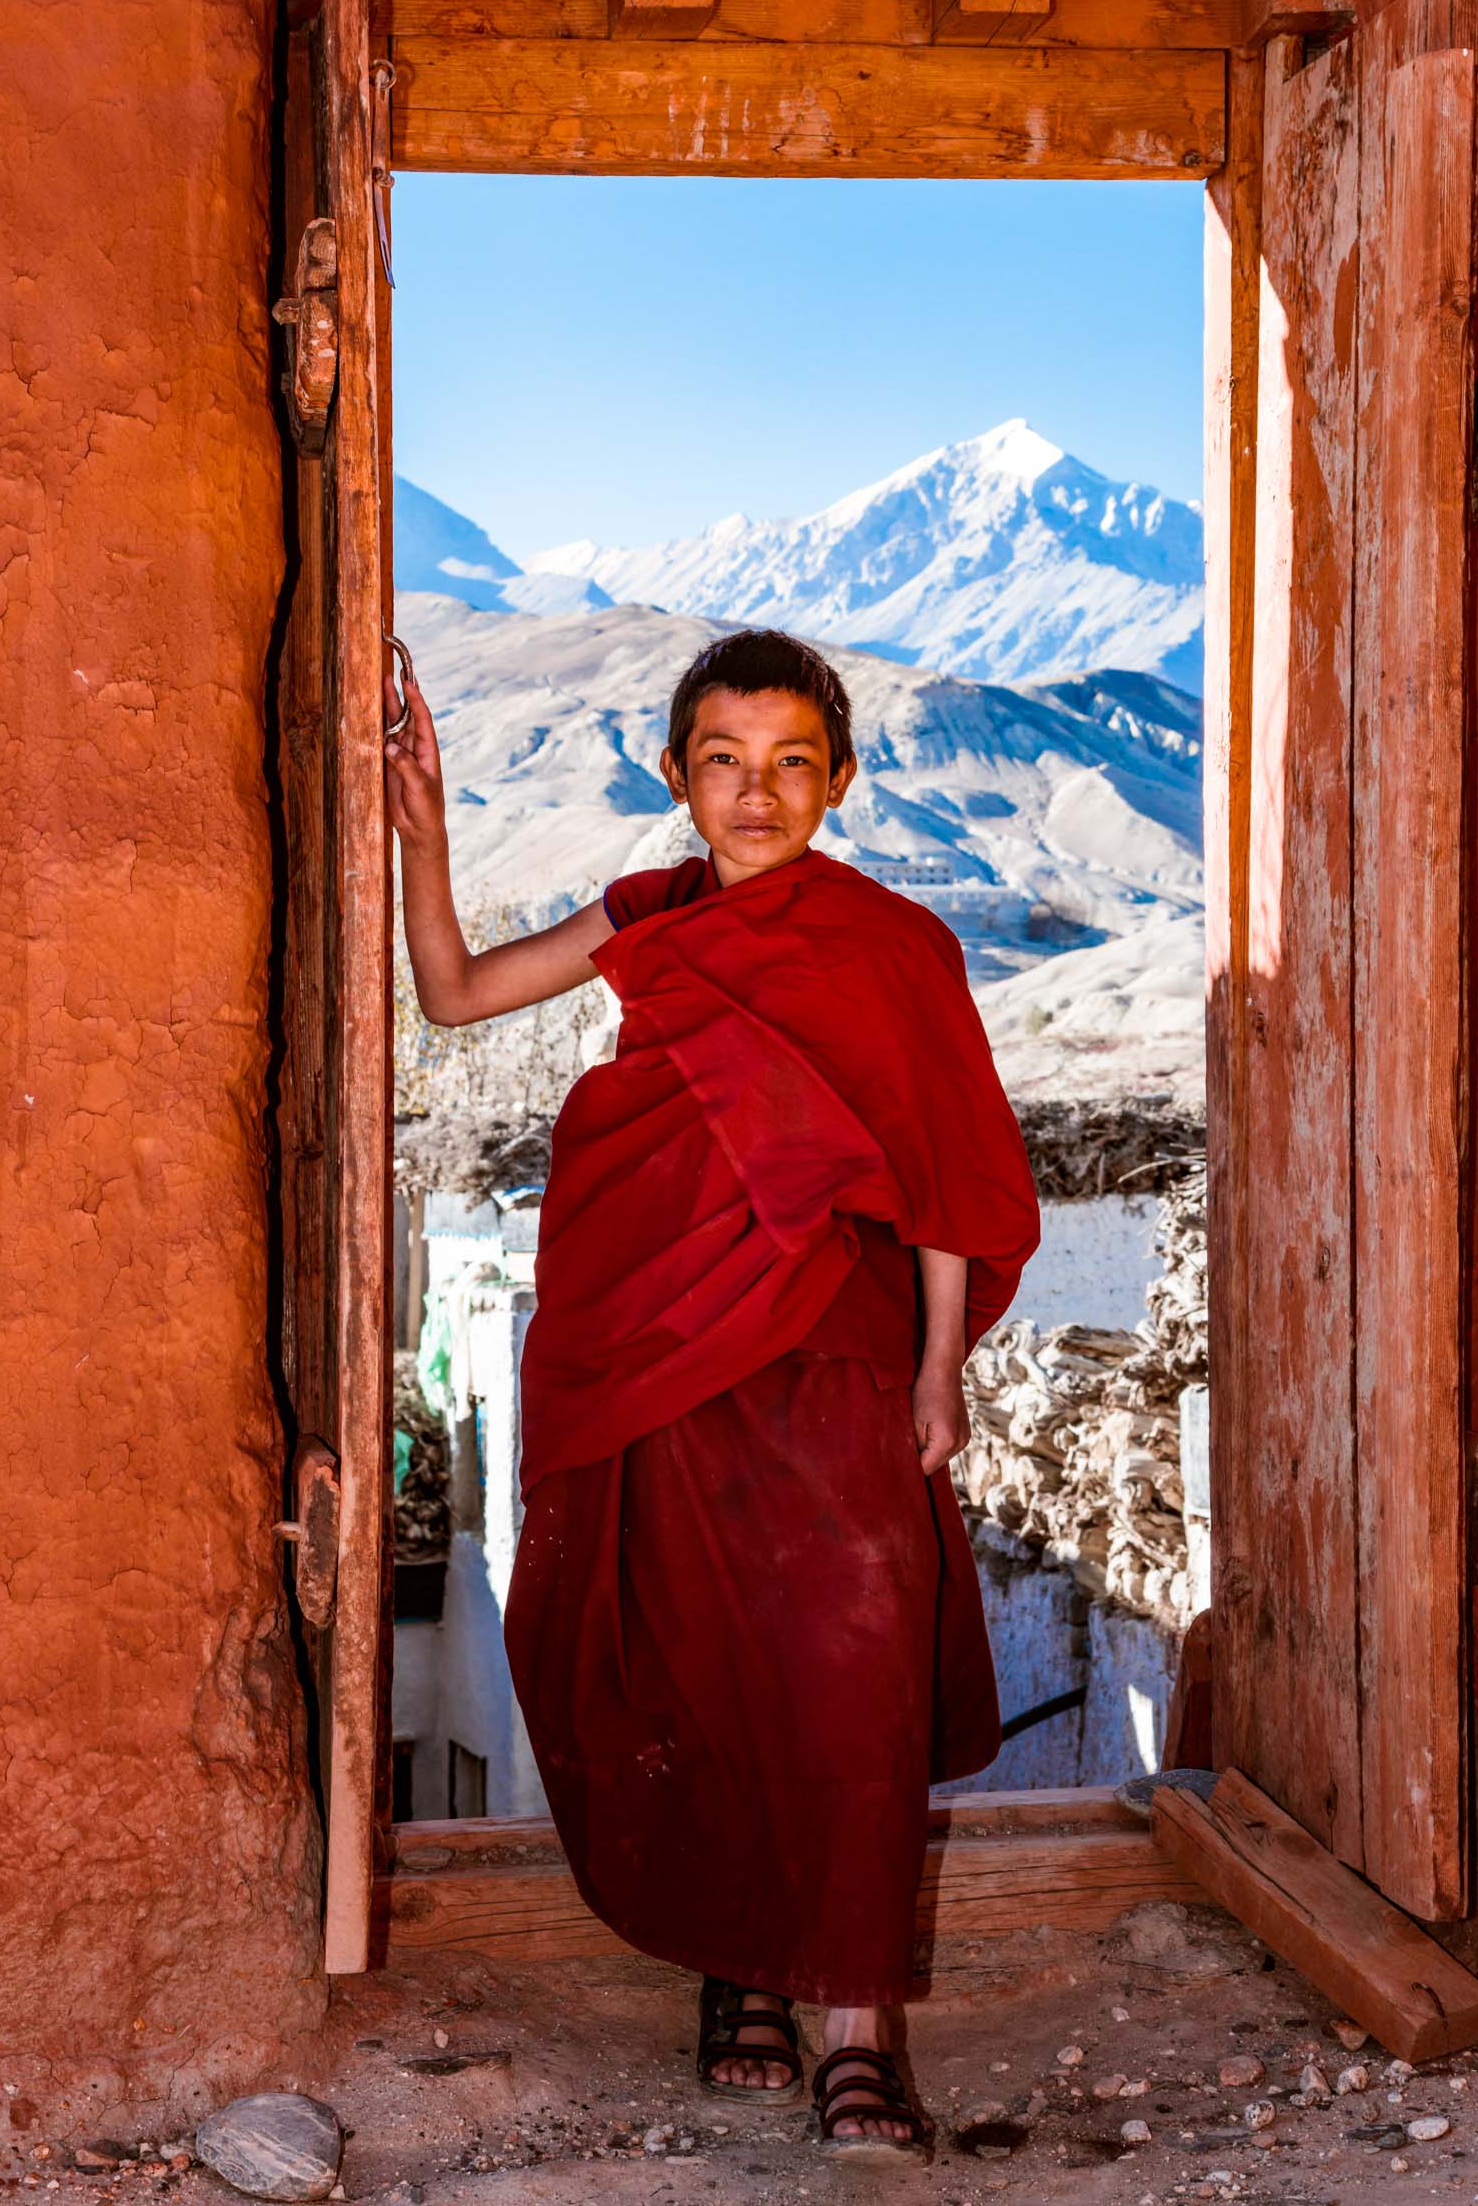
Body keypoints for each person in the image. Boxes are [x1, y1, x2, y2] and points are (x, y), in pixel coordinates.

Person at [386, 626, 1040, 2156]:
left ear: (842, 778)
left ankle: (861, 2027)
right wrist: (426, 828)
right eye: (726, 764)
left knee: (852, 1671)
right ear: (675, 776)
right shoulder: (646, 919)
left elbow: (943, 1165)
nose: (758, 795)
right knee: (703, 1659)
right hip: (661, 1347)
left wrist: (941, 1366)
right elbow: (457, 991)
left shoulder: (893, 946)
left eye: (792, 764)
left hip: (831, 1347)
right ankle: (750, 1977)